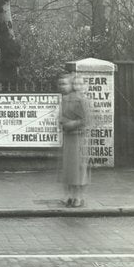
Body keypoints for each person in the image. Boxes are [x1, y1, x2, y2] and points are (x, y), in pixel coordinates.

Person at [58, 73, 90, 207]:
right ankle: (70, 196)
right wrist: (64, 123)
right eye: (75, 84)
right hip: (68, 137)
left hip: (79, 137)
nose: (77, 86)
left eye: (80, 84)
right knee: (68, 169)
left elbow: (86, 120)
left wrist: (71, 124)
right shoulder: (65, 99)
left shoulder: (83, 100)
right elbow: (60, 117)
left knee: (79, 168)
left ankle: (78, 197)